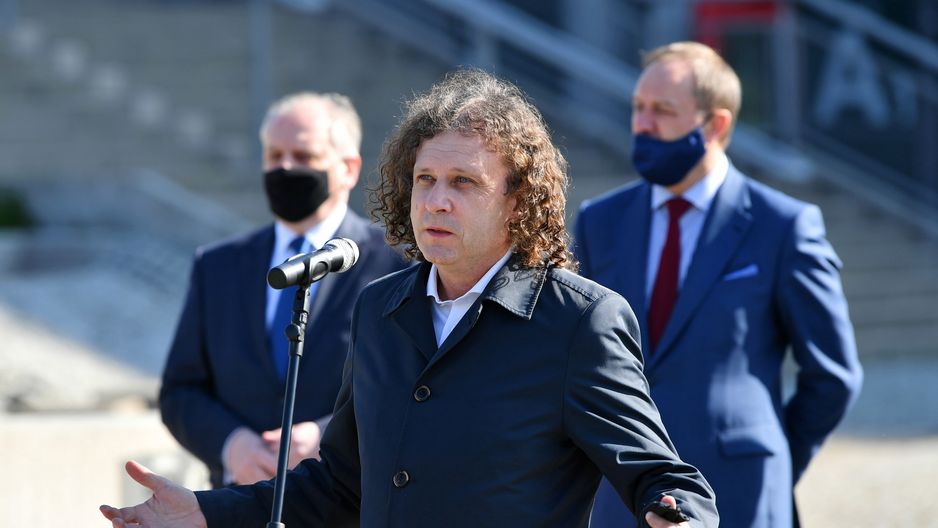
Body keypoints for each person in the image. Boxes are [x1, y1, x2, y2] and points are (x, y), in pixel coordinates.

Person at [101, 70, 719, 528]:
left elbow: (660, 474)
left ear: (517, 201)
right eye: (425, 180)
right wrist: (207, 512)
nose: (436, 201)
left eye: (464, 183)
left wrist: (679, 515)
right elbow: (340, 484)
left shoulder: (580, 320)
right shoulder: (379, 309)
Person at [575, 42, 863, 528]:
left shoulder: (783, 226)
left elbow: (833, 376)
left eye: (663, 110)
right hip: (622, 498)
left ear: (716, 124)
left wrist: (772, 463)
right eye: (638, 107)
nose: (643, 124)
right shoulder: (599, 221)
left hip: (740, 495)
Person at [159, 92, 405, 488]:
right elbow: (180, 391)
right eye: (274, 155)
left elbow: (409, 388)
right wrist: (231, 445)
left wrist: (329, 436)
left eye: (303, 156)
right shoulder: (217, 266)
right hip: (240, 504)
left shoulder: (398, 265)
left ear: (348, 169)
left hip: (346, 502)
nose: (285, 167)